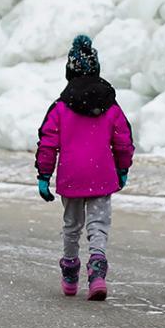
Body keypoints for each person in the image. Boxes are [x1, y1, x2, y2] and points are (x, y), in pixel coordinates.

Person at [36, 34, 135, 302]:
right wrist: (122, 169)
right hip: (101, 174)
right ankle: (97, 271)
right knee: (98, 225)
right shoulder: (110, 106)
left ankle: (70, 272)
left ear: (69, 71)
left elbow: (47, 143)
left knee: (72, 225)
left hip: (71, 176)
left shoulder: (59, 108)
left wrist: (44, 175)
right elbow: (123, 140)